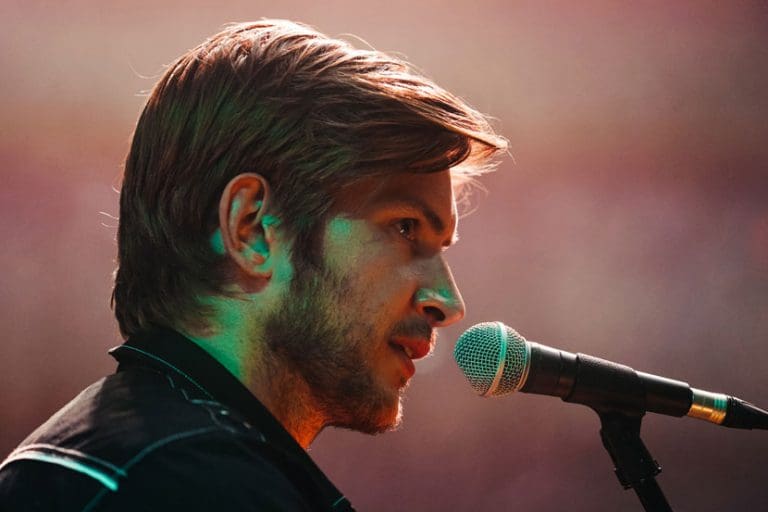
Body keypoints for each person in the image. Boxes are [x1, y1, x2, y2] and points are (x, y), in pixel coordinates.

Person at [0, 19, 506, 511]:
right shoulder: (196, 487)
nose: (449, 303)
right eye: (405, 228)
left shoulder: (90, 463)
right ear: (253, 229)